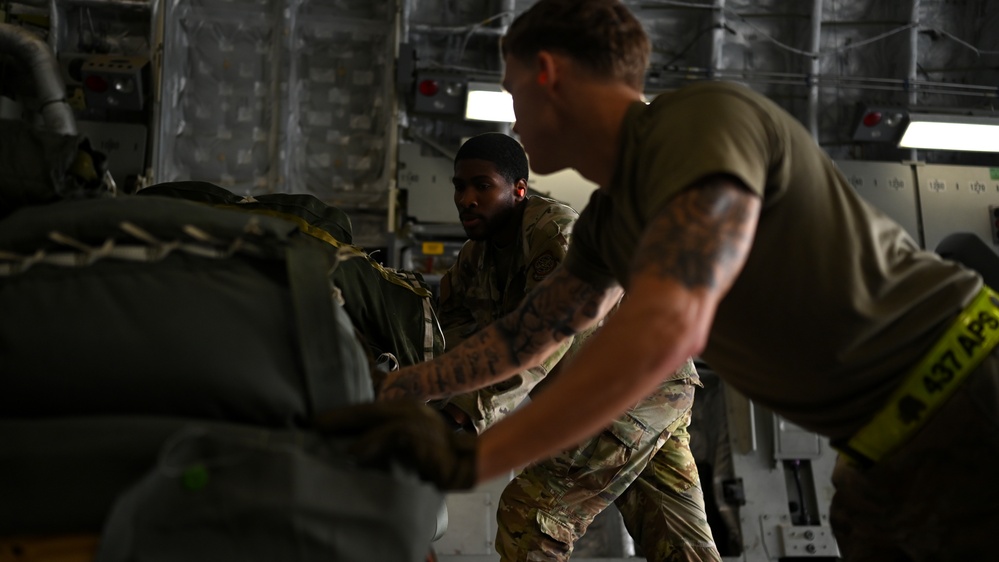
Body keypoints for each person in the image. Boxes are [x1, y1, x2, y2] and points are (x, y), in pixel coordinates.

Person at [318, 1, 999, 559]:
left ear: (547, 73)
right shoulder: (611, 222)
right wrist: (401, 391)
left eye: (511, 91)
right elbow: (523, 338)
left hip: (969, 387)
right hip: (881, 450)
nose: (513, 113)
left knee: (533, 515)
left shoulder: (698, 121)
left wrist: (474, 459)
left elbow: (671, 324)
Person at [431, 132, 718, 561]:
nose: (466, 198)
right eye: (459, 186)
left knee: (528, 516)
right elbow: (448, 332)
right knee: (677, 542)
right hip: (642, 395)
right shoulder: (475, 263)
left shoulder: (555, 233)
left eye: (482, 185)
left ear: (519, 189)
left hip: (633, 392)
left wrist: (461, 412)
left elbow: (543, 339)